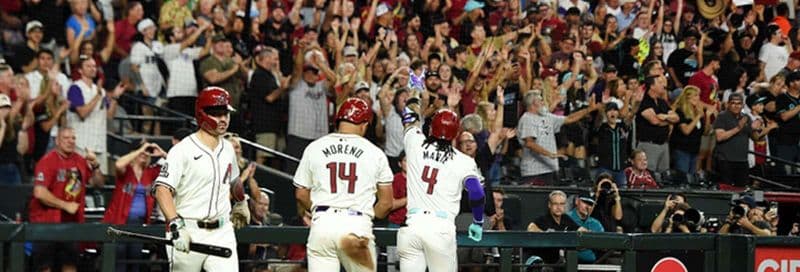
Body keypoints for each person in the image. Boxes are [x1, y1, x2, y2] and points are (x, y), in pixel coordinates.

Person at [153, 87, 254, 271]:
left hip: (222, 231)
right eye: (217, 114)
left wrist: (241, 201)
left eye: (226, 113)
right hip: (189, 229)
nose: (223, 119)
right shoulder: (182, 150)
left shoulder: (229, 148)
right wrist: (176, 225)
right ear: (202, 114)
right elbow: (162, 190)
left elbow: (233, 180)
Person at [293, 97, 394, 271]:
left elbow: (301, 194)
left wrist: (318, 208)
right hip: (356, 224)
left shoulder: (315, 147)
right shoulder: (375, 153)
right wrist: (368, 214)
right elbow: (386, 204)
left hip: (322, 224)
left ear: (338, 120)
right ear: (364, 124)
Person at [397, 106, 486, 271]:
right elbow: (477, 193)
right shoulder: (464, 161)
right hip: (440, 228)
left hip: (412, 226)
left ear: (431, 128)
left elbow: (408, 117)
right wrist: (478, 221)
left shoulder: (415, 143)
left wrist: (415, 91)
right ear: (456, 134)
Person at [28, 127, 102, 272]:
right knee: (45, 267)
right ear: (57, 141)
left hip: (72, 223)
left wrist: (95, 165)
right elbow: (39, 192)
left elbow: (98, 183)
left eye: (73, 138)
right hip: (46, 223)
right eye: (66, 138)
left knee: (70, 265)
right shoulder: (47, 161)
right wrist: (65, 205)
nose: (70, 141)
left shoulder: (80, 160)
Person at [103, 141, 167, 272]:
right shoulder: (126, 170)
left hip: (139, 224)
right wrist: (140, 149)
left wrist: (162, 153)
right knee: (120, 260)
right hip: (120, 221)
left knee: (135, 259)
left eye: (146, 151)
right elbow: (118, 164)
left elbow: (174, 165)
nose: (144, 153)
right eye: (140, 151)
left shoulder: (150, 172)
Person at [517, 89, 599, 186]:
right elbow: (529, 143)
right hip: (534, 171)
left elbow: (569, 118)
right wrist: (550, 154)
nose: (543, 103)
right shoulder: (527, 119)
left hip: (550, 169)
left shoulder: (547, 116)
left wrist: (588, 109)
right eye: (541, 100)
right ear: (534, 103)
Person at [527, 190, 584, 266]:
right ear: (549, 205)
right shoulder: (543, 219)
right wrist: (546, 234)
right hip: (545, 263)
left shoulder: (566, 219)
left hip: (563, 263)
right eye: (555, 204)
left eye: (561, 204)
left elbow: (581, 230)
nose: (558, 207)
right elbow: (530, 228)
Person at [714, 93, 759, 188]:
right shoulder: (722, 117)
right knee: (726, 188)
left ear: (742, 105)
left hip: (742, 161)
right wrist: (738, 128)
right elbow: (720, 137)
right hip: (725, 160)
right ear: (728, 104)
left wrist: (754, 129)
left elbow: (755, 138)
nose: (736, 106)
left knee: (742, 189)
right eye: (733, 103)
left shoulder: (746, 117)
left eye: (739, 103)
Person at [568, 191, 604, 263]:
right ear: (577, 201)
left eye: (590, 204)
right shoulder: (566, 218)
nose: (587, 207)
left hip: (593, 265)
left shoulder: (596, 223)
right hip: (569, 264)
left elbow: (602, 245)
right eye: (585, 202)